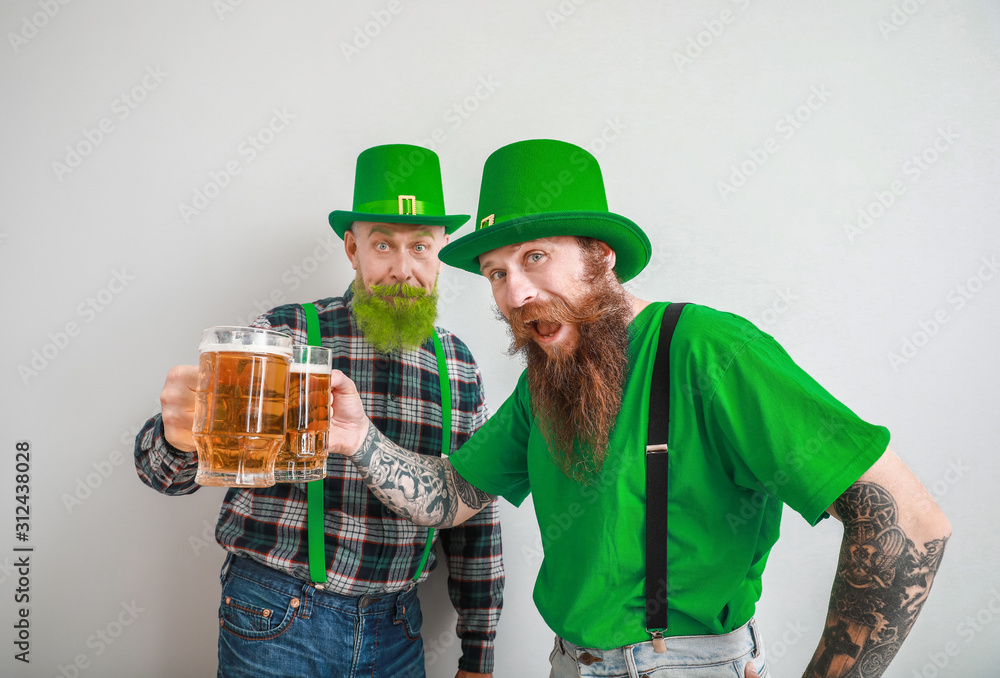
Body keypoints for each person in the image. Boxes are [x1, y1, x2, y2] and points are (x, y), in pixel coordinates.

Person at [318, 139, 951, 678]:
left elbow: (910, 525)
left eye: (535, 257)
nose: (517, 293)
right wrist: (359, 437)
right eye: (495, 273)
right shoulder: (546, 379)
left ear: (600, 254)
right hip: (568, 661)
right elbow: (451, 493)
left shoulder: (706, 349)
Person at [134, 144, 504, 678]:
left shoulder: (458, 363)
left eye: (420, 247)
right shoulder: (286, 335)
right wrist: (175, 439)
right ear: (353, 250)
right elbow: (162, 476)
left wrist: (480, 653)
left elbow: (475, 516)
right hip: (274, 615)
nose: (404, 269)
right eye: (383, 245)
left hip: (398, 628)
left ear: (441, 251)